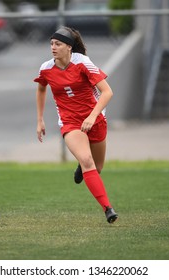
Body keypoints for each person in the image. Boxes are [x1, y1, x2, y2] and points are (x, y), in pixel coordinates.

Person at [33, 26, 118, 224]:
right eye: (52, 44)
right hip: (70, 122)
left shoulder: (83, 63)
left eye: (58, 44)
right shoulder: (46, 68)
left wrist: (92, 116)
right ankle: (108, 208)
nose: (53, 47)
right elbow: (41, 89)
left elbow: (107, 92)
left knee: (96, 167)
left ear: (69, 47)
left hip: (94, 119)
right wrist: (39, 120)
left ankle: (82, 166)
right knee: (88, 160)